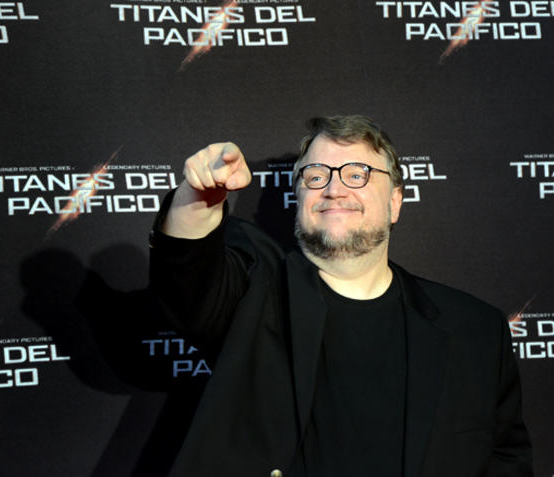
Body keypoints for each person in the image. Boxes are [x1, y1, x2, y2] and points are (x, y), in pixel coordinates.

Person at [149, 115, 533, 476]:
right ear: (298, 197)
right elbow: (187, 277)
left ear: (395, 202)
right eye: (316, 176)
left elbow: (505, 460)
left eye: (357, 174)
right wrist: (199, 197)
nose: (334, 189)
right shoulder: (251, 290)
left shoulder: (475, 330)